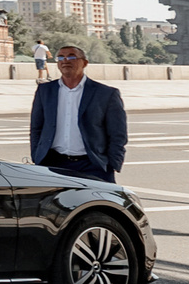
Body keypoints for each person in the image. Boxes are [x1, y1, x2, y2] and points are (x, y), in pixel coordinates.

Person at [29, 42, 127, 182]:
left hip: (93, 165)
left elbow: (118, 133)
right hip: (53, 163)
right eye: (60, 57)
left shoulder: (105, 93)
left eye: (71, 57)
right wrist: (36, 156)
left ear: (84, 63)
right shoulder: (45, 91)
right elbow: (36, 127)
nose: (65, 61)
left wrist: (112, 164)